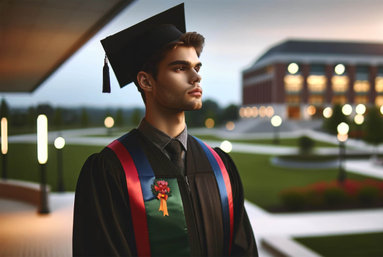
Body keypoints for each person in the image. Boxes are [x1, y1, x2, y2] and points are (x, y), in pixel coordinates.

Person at [72, 4, 258, 257]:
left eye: (197, 67)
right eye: (180, 68)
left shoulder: (220, 166)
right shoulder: (112, 171)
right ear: (146, 81)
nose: (196, 77)